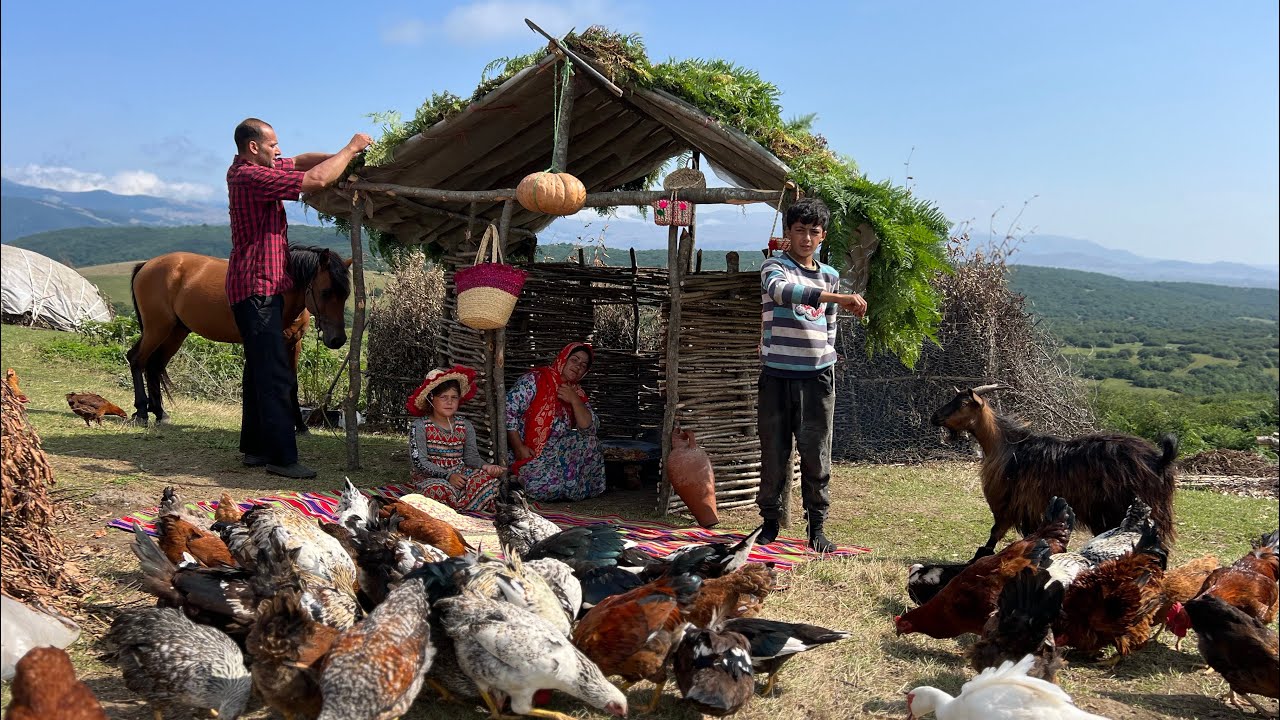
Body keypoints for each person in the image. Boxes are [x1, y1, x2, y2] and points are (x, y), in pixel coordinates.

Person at [226, 118, 372, 479]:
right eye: (272, 145)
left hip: (260, 287)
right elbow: (317, 180)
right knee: (276, 374)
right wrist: (351, 147)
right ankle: (281, 458)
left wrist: (344, 158)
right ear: (253, 147)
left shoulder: (261, 167)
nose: (279, 150)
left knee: (258, 371)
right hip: (257, 288)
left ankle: (255, 449)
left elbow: (304, 160)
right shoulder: (249, 176)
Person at [756, 197, 867, 552]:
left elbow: (830, 327)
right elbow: (781, 292)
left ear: (823, 236)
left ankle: (816, 528)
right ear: (788, 233)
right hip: (777, 374)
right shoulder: (774, 266)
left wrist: (826, 356)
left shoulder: (829, 274)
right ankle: (769, 523)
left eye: (813, 232)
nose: (806, 238)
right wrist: (837, 298)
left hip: (817, 377)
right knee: (774, 454)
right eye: (799, 230)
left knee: (817, 454)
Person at [505, 342, 607, 502]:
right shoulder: (535, 380)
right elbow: (508, 411)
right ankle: (554, 485)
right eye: (574, 360)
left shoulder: (576, 391)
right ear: (563, 359)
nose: (578, 366)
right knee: (546, 486)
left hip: (558, 453)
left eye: (583, 365)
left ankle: (562, 486)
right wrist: (519, 447)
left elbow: (590, 429)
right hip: (530, 453)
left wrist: (574, 400)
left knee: (591, 443)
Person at [406, 366, 505, 513]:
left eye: (454, 397)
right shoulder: (420, 426)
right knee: (437, 490)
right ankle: (465, 505)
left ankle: (456, 506)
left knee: (487, 481)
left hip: (460, 474)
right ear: (431, 398)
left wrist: (486, 467)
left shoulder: (465, 426)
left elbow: (471, 457)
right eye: (443, 397)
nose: (449, 402)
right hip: (431, 477)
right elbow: (420, 462)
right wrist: (448, 475)